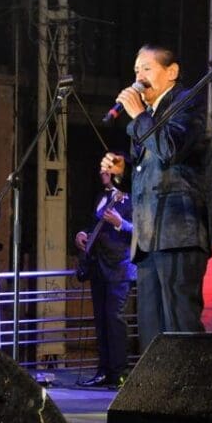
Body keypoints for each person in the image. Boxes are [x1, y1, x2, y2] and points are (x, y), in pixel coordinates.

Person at [101, 44, 212, 353]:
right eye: (136, 70)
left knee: (180, 326)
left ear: (171, 72)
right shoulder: (148, 116)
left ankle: (191, 383)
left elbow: (171, 149)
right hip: (148, 237)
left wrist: (138, 116)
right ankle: (157, 385)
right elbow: (150, 174)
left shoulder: (188, 102)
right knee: (152, 332)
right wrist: (123, 172)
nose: (139, 76)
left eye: (147, 68)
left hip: (178, 233)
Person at [73, 164, 136, 388]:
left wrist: (120, 224)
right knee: (101, 321)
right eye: (100, 168)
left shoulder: (132, 198)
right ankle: (103, 371)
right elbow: (93, 224)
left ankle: (119, 373)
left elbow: (142, 231)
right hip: (98, 266)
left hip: (120, 267)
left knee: (115, 320)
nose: (102, 172)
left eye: (106, 168)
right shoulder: (101, 197)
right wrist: (82, 233)